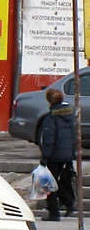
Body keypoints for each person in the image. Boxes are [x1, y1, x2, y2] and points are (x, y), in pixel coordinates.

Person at [37, 87, 77, 221]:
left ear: (49, 101)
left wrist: (44, 157)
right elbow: (73, 136)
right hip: (66, 153)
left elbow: (49, 139)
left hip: (54, 154)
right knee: (54, 180)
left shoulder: (51, 117)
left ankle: (54, 212)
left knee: (48, 182)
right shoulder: (69, 115)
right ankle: (68, 201)